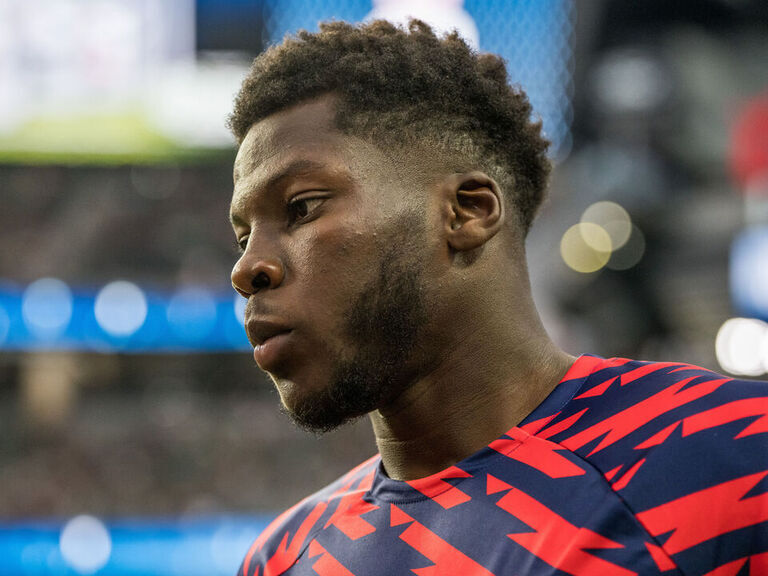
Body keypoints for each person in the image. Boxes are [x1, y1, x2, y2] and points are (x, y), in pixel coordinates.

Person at [227, 19, 768, 576]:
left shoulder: (731, 459)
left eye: (303, 207)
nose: (246, 269)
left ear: (468, 212)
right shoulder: (283, 558)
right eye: (243, 238)